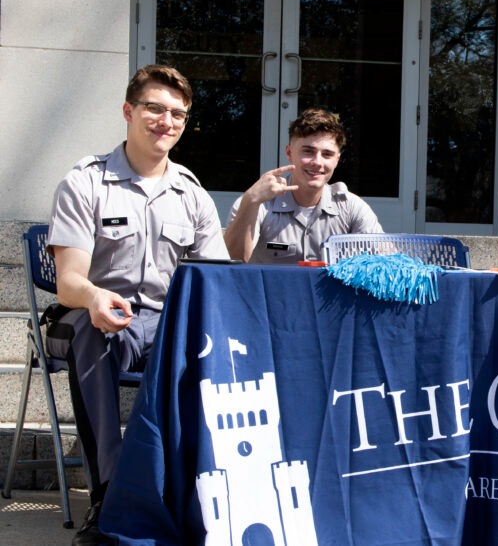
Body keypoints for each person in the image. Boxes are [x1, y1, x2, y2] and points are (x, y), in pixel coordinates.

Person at [46, 65, 230, 546]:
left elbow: (217, 282)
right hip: (99, 319)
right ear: (129, 112)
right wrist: (94, 297)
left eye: (177, 113)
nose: (165, 120)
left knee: (221, 345)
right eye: (154, 108)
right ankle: (109, 496)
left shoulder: (193, 194)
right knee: (93, 333)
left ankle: (200, 492)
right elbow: (68, 283)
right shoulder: (85, 182)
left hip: (166, 326)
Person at [224, 107, 382, 264]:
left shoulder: (351, 207)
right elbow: (233, 260)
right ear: (289, 153)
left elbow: (384, 262)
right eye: (308, 151)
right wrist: (251, 200)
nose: (317, 162)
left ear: (337, 160)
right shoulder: (259, 203)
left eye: (327, 154)